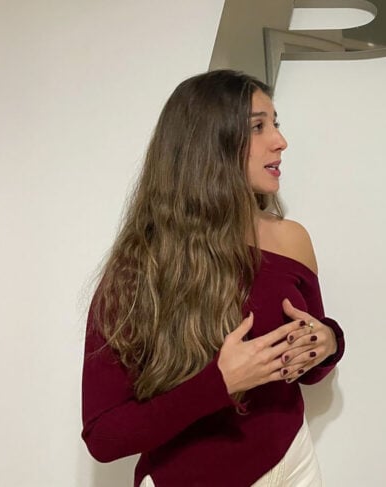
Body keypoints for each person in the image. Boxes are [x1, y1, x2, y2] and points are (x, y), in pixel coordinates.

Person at [82, 69, 344, 487]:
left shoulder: (291, 239)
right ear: (209, 144)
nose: (280, 141)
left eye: (275, 123)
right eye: (257, 127)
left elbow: (311, 366)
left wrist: (327, 342)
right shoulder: (139, 270)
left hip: (294, 464)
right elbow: (104, 436)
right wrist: (221, 383)